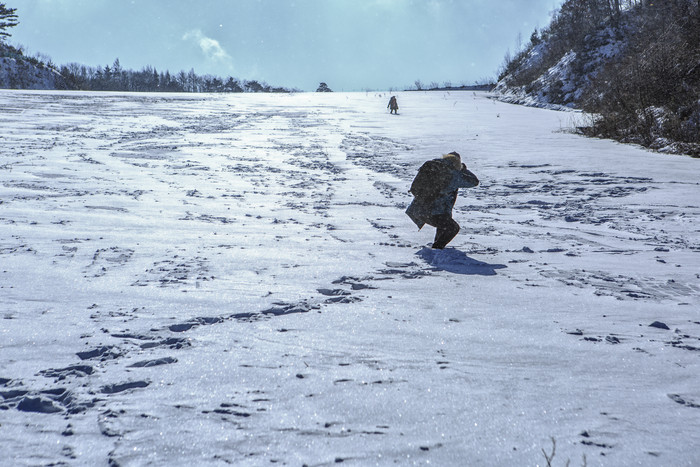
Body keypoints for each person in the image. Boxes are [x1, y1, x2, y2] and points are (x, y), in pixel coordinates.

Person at [405, 151, 479, 249]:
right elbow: (474, 182)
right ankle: (437, 249)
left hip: (418, 210)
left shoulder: (432, 168)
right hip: (433, 212)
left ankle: (437, 248)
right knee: (453, 228)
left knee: (444, 224)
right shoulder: (452, 174)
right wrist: (463, 169)